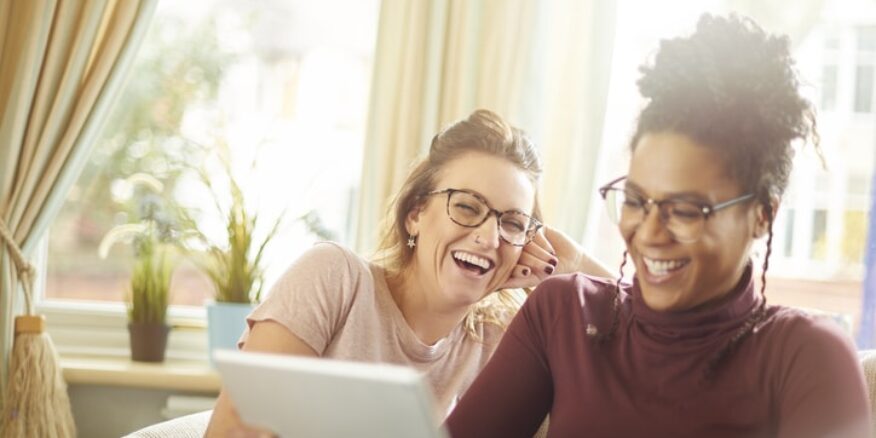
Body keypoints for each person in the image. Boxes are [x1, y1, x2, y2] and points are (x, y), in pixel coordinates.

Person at [445, 15, 871, 438]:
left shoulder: (806, 356)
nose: (648, 232)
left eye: (684, 211)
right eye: (634, 201)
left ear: (763, 214)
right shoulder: (564, 314)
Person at [205, 109, 611, 436]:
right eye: (468, 207)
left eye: (512, 223)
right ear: (416, 214)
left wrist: (574, 265)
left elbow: (653, 331)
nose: (490, 238)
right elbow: (231, 432)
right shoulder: (334, 278)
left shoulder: (505, 339)